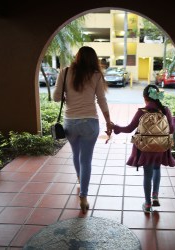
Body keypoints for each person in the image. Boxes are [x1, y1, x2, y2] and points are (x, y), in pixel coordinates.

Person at [53, 46, 113, 214]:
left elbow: (56, 97)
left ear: (77, 57)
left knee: (76, 154)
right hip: (90, 123)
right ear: (94, 59)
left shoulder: (65, 72)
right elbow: (102, 100)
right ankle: (84, 197)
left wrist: (66, 93)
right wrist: (108, 122)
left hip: (70, 123)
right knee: (86, 160)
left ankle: (80, 180)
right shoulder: (95, 75)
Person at [112, 84, 175, 213]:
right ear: (157, 96)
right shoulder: (165, 110)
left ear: (145, 97)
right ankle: (155, 195)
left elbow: (129, 128)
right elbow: (171, 129)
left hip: (145, 148)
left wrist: (117, 128)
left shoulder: (142, 111)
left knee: (147, 174)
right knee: (157, 168)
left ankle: (147, 204)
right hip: (161, 147)